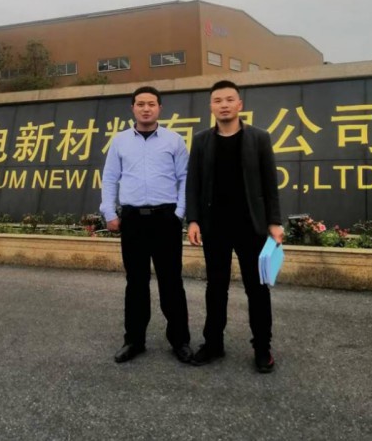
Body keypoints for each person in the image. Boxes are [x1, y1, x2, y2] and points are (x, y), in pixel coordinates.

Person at [186, 80, 283, 373]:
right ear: (211, 106)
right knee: (216, 288)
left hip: (251, 226)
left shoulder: (259, 138)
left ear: (240, 104)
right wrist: (193, 220)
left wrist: (274, 222)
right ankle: (213, 343)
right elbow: (194, 183)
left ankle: (262, 348)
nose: (224, 105)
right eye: (218, 100)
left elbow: (270, 184)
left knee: (257, 289)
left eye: (229, 99)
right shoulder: (201, 140)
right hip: (215, 226)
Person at [100, 86, 192, 364]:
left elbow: (185, 178)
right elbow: (110, 178)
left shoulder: (174, 141)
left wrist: (179, 213)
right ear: (133, 108)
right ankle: (134, 340)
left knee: (171, 281)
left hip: (166, 219)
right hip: (133, 220)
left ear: (160, 108)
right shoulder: (120, 141)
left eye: (151, 104)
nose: (146, 108)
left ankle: (180, 340)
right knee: (136, 282)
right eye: (140, 104)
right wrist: (109, 212)